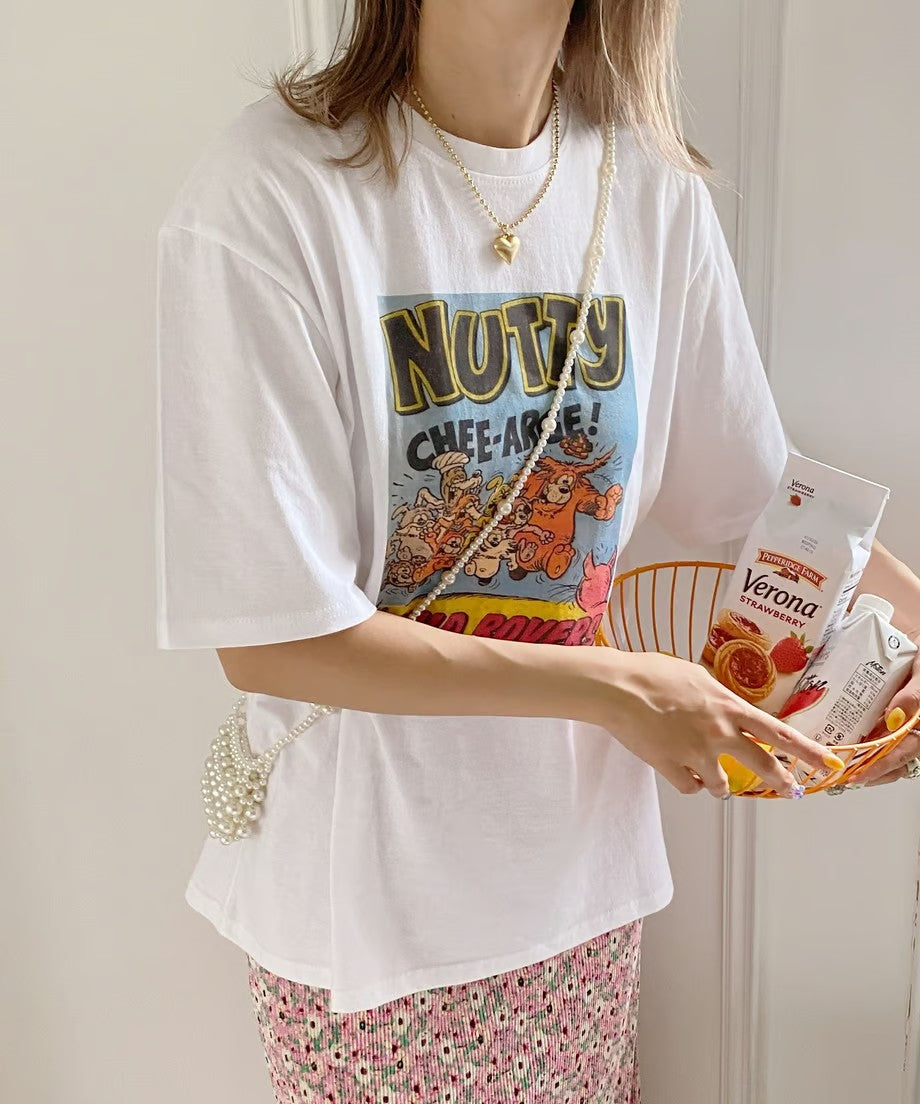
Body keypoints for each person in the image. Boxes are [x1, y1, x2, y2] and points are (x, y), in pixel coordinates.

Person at [154, 1, 920, 1099]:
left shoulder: (644, 182)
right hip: (371, 914)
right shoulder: (272, 193)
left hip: (579, 890)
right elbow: (274, 635)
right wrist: (616, 689)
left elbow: (756, 500)